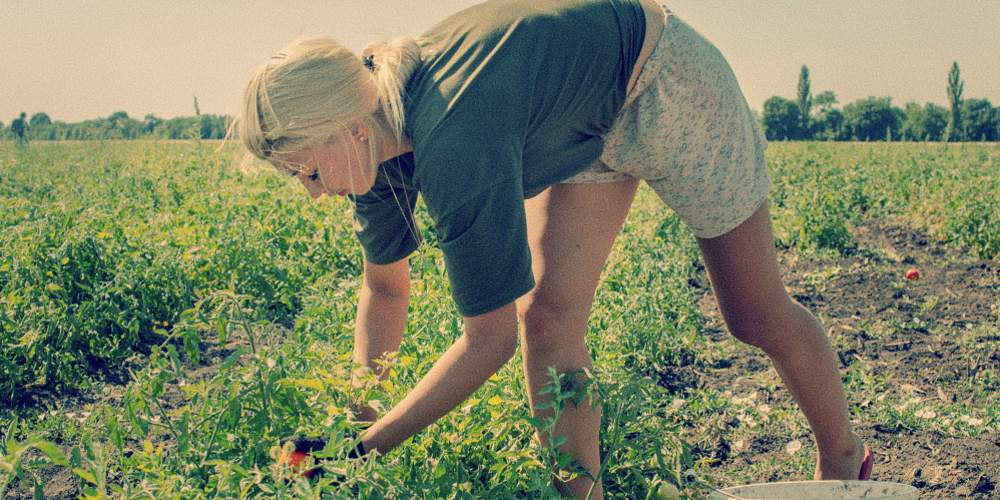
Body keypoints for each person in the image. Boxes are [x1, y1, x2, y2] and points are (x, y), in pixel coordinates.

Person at [237, 0, 872, 496]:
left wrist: (365, 452)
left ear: (345, 128)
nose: (312, 193)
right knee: (547, 320)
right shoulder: (371, 151)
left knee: (753, 314)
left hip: (662, 80)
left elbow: (486, 345)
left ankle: (844, 457)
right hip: (584, 125)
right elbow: (384, 289)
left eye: (306, 172)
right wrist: (355, 420)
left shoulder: (454, 136)